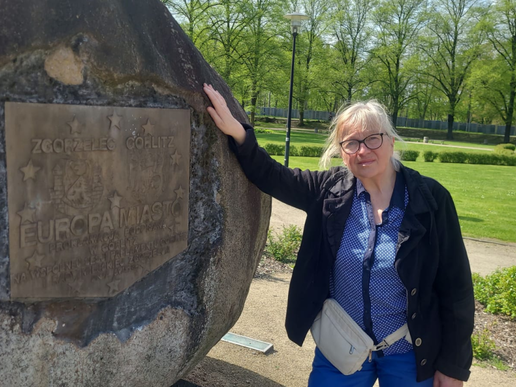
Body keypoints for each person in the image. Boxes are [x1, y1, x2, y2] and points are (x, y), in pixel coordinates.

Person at [203, 83, 474, 387]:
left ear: (392, 141)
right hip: (343, 346)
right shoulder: (329, 190)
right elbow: (273, 176)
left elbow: (456, 289)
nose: (363, 150)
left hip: (409, 352)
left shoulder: (430, 199)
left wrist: (453, 367)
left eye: (373, 139)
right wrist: (238, 132)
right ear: (341, 152)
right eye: (351, 143)